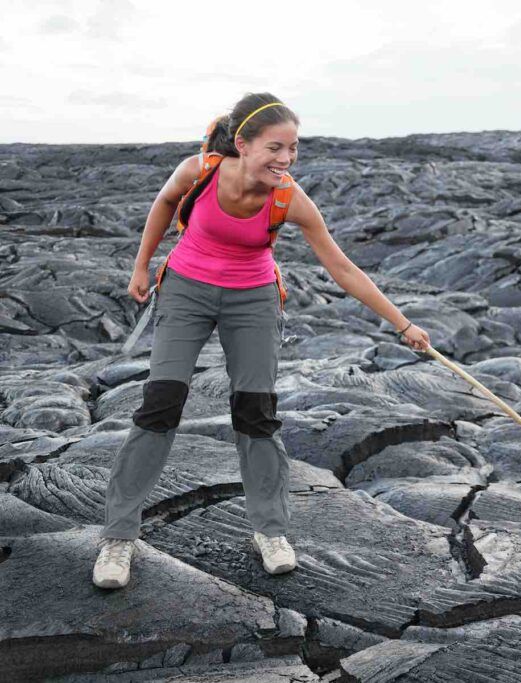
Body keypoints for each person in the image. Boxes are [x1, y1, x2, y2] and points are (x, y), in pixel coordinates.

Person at [93, 92, 430, 589]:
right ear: (243, 145)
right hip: (186, 291)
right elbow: (165, 203)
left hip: (252, 299)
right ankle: (118, 538)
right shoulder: (200, 170)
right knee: (160, 403)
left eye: (293, 149)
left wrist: (403, 324)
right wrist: (142, 266)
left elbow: (341, 267)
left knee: (256, 413)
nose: (286, 159)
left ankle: (269, 532)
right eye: (276, 147)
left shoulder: (289, 198)